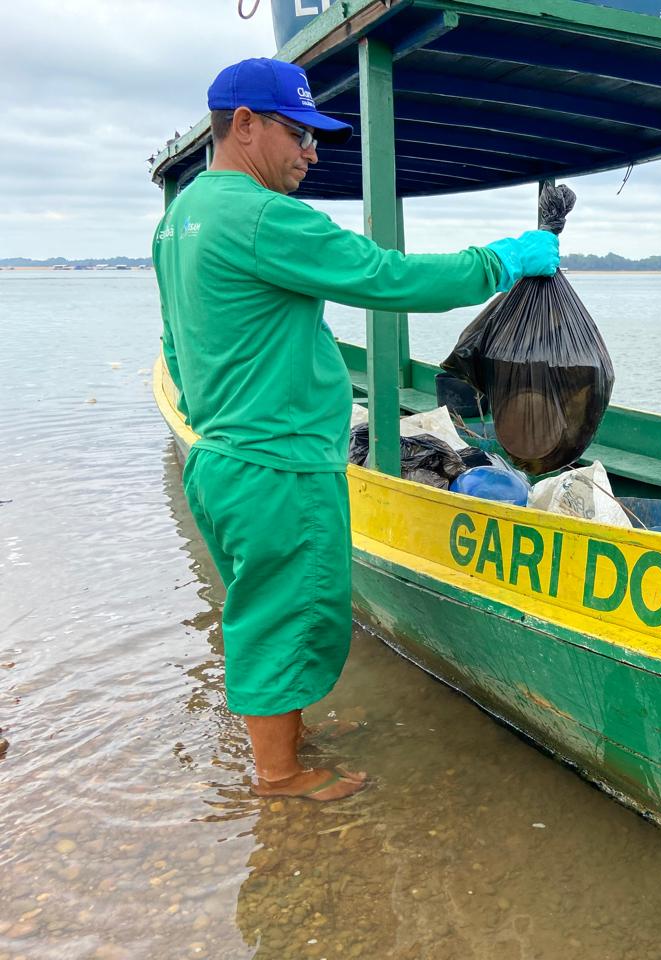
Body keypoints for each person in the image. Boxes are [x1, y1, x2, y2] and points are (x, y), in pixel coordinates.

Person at [153, 58, 558, 802]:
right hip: (279, 468)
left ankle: (287, 744)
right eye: (299, 133)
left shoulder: (180, 220)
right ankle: (281, 778)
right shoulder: (263, 217)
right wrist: (501, 260)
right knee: (285, 618)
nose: (312, 151)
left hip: (219, 458)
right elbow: (389, 278)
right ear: (244, 126)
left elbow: (178, 347)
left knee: (262, 608)